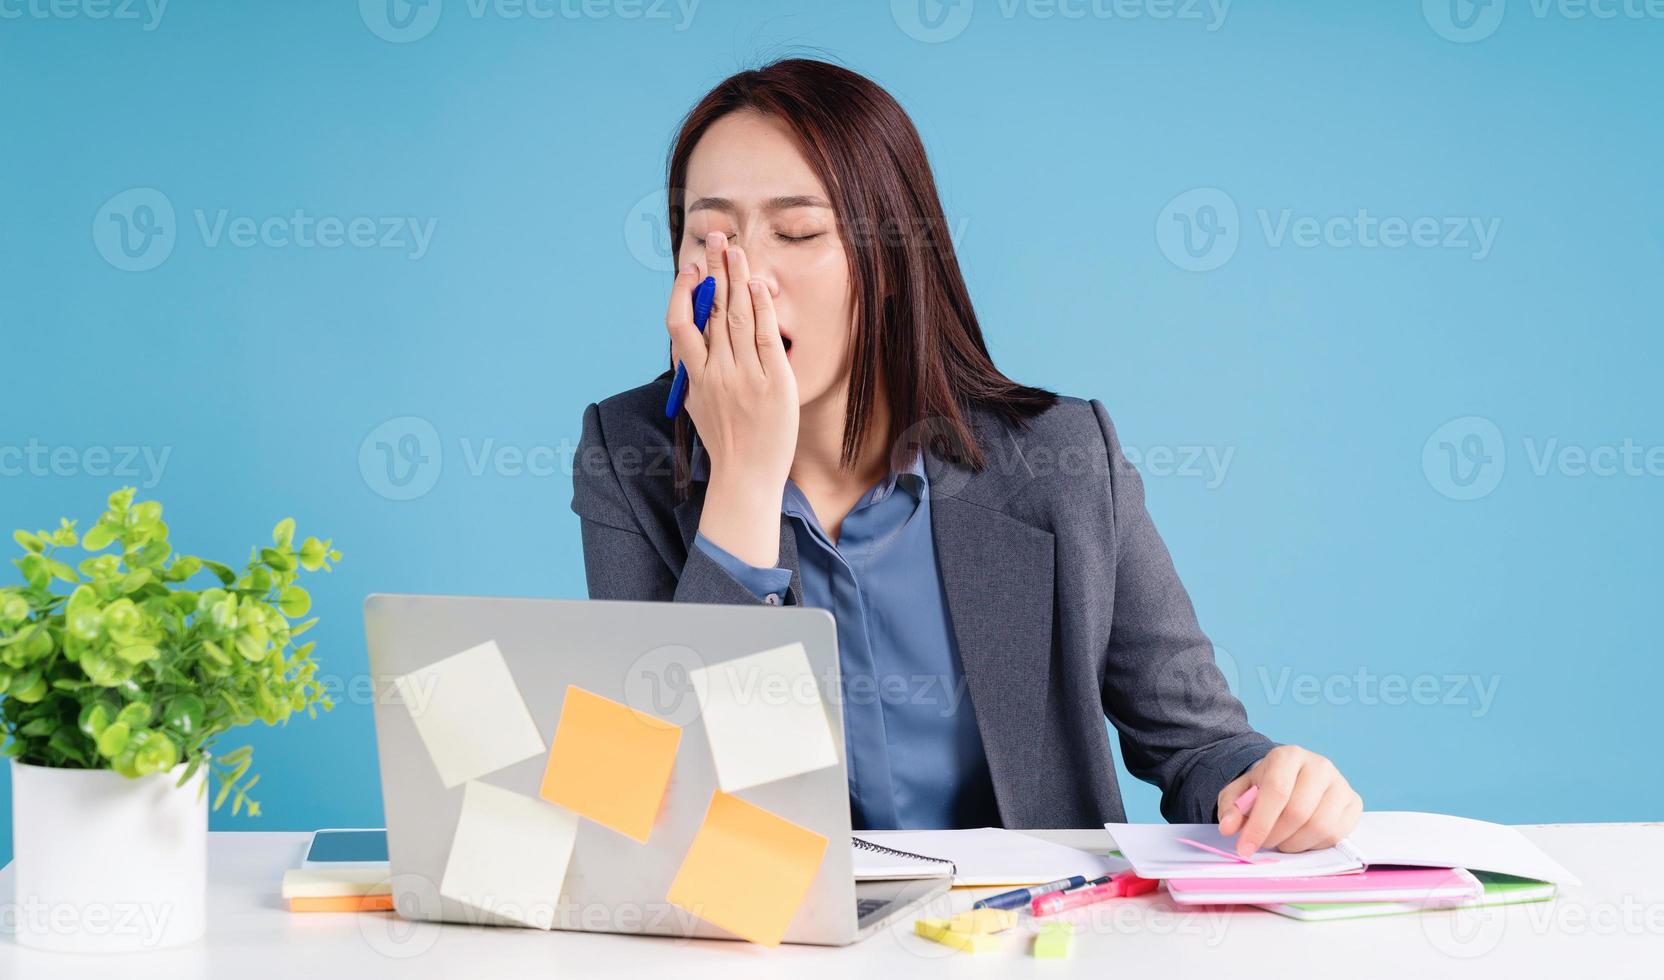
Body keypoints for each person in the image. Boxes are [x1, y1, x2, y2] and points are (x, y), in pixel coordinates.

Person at [572, 58, 1360, 856]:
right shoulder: (625, 456)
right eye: (712, 238)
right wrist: (742, 481)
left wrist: (1273, 785)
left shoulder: (1063, 457)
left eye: (798, 232)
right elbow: (637, 809)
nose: (749, 281)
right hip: (772, 945)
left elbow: (1198, 747)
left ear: (889, 264)